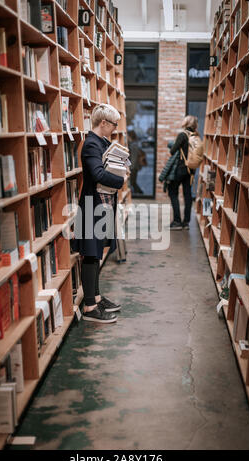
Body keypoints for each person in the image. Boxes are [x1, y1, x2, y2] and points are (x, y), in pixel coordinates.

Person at [72, 104, 128, 323]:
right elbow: (96, 173)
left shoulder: (103, 143)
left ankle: (95, 297)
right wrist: (120, 180)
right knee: (90, 254)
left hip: (101, 206)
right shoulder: (91, 145)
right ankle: (90, 308)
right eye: (113, 124)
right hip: (91, 207)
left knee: (96, 254)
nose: (115, 128)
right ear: (103, 123)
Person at [167, 115, 198, 230]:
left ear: (187, 122)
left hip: (180, 169)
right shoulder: (196, 136)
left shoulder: (183, 135)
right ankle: (186, 222)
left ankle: (176, 221)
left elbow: (172, 150)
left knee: (172, 192)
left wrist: (172, 143)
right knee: (187, 195)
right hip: (191, 170)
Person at [128, 130, 144, 194]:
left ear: (130, 136)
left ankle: (139, 192)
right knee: (133, 182)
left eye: (128, 136)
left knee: (132, 182)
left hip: (133, 167)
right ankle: (138, 192)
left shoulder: (133, 145)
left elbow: (134, 158)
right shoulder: (134, 144)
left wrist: (131, 168)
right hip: (134, 167)